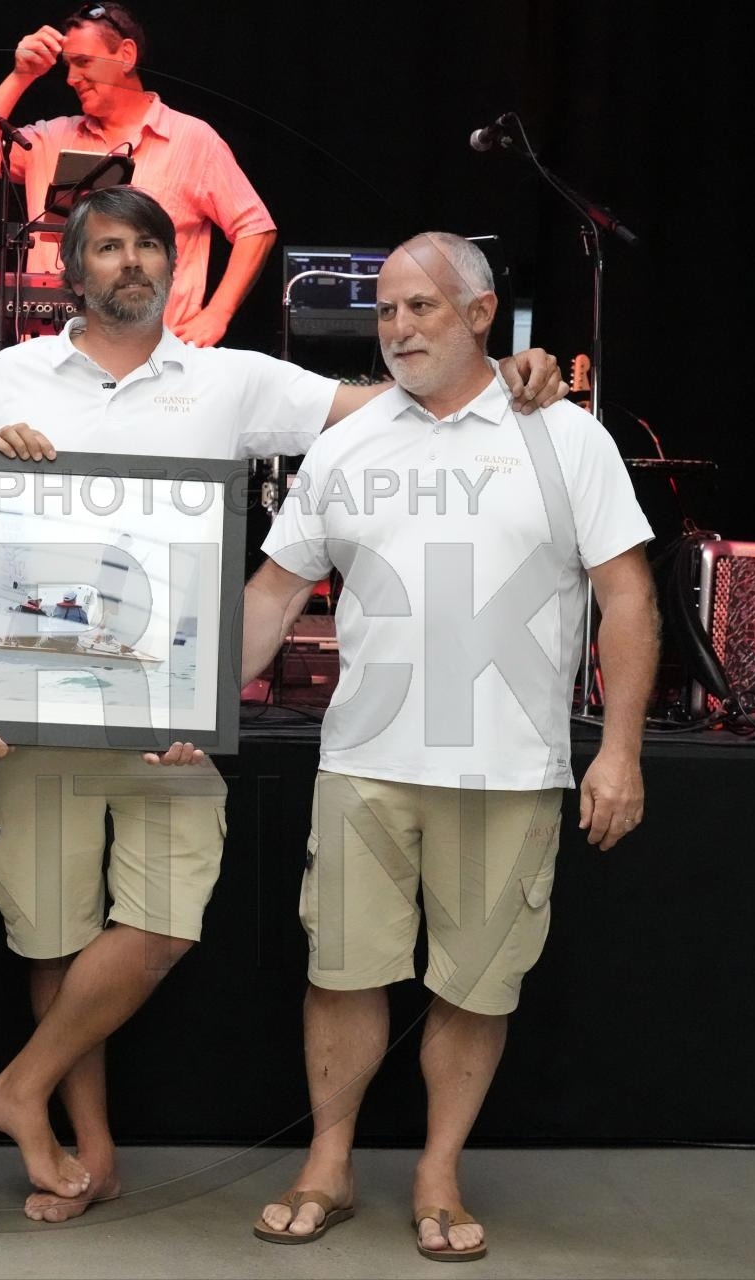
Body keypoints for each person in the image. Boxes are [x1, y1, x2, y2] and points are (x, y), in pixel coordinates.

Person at [0, 187, 567, 1223]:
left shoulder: (227, 377)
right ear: (72, 268)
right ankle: (86, 1149)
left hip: (173, 708)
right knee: (55, 935)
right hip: (37, 698)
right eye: (108, 247)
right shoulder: (6, 379)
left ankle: (18, 1086)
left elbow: (387, 397)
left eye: (149, 245)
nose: (131, 262)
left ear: (175, 265)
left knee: (159, 925)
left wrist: (500, 370)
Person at [239, 232, 658, 1261]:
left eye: (421, 306)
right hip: (364, 762)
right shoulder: (346, 446)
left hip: (509, 766)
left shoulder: (563, 434)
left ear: (479, 315)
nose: (398, 327)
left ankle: (438, 1169)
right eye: (386, 310)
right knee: (342, 972)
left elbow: (628, 596)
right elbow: (274, 595)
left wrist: (620, 750)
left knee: (475, 985)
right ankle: (328, 1161)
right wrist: (188, 710)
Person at [0, 3, 276, 346]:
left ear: (126, 55)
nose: (71, 78)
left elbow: (255, 228)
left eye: (84, 62)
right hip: (51, 354)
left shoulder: (191, 139)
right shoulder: (49, 138)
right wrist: (22, 75)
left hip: (154, 354)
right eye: (68, 66)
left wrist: (217, 314)